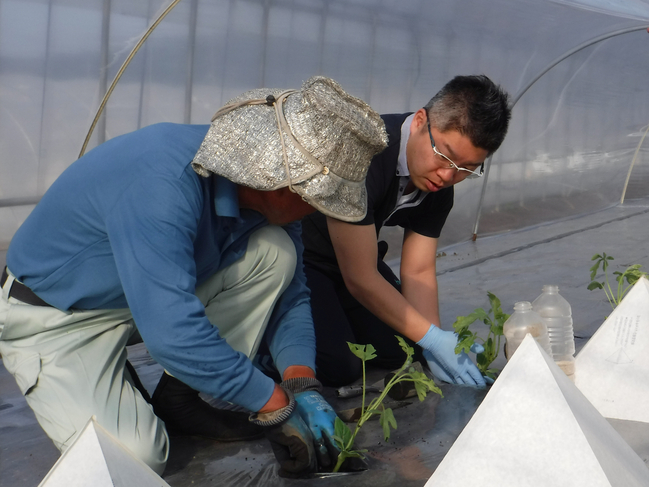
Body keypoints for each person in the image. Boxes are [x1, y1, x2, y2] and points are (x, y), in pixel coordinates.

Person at [0, 76, 388, 478]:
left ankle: (180, 396)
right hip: (59, 317)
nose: (317, 212)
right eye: (318, 202)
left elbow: (291, 297)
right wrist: (270, 403)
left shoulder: (267, 195)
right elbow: (171, 333)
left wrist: (300, 383)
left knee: (276, 252)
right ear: (280, 186)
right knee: (134, 461)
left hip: (144, 299)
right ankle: (117, 375)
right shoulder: (162, 185)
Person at [301, 75, 511, 388]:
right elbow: (360, 278)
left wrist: (435, 344)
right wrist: (433, 339)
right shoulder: (363, 155)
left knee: (405, 348)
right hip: (303, 260)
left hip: (355, 261)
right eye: (445, 156)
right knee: (339, 365)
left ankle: (340, 321)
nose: (448, 175)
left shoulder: (439, 186)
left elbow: (419, 270)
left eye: (466, 169)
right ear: (420, 121)